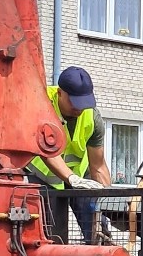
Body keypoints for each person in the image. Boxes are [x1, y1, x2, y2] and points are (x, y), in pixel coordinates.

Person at [26, 66, 112, 244]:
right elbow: (47, 152)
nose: (79, 108)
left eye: (84, 102)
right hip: (45, 179)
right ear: (59, 93)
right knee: (53, 237)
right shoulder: (40, 104)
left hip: (79, 176)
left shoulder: (92, 117)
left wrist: (107, 197)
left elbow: (98, 164)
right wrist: (72, 179)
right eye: (74, 101)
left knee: (98, 229)